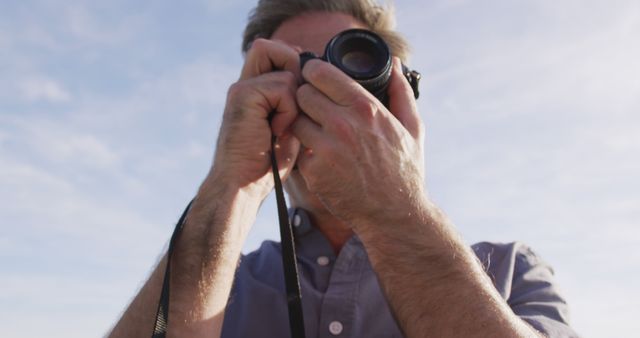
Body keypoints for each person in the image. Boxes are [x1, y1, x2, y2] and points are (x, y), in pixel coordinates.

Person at [109, 0, 579, 337]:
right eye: (295, 78)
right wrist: (231, 185)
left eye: (348, 74)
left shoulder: (510, 274)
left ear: (399, 98)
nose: (323, 104)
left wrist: (396, 205)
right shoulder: (222, 286)